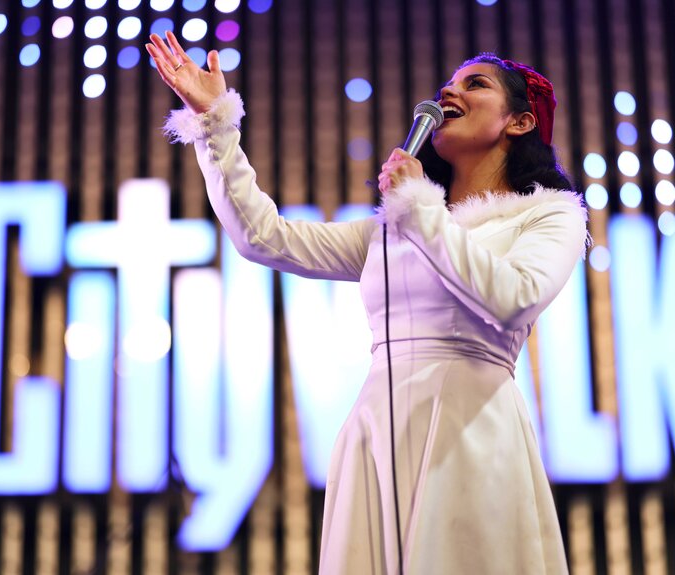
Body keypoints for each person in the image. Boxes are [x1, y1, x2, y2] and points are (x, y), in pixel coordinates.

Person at [147, 31, 587, 574]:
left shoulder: (549, 215)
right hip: (379, 428)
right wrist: (216, 123)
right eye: (447, 84)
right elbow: (263, 237)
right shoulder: (394, 231)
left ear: (518, 122)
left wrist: (422, 208)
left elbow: (513, 298)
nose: (451, 92)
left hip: (471, 426)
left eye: (475, 84)